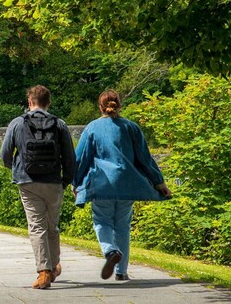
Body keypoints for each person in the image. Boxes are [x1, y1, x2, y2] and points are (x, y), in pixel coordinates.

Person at [73, 89, 171, 281]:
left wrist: (75, 182)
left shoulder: (92, 128)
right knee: (123, 227)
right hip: (127, 184)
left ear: (100, 107)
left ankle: (110, 251)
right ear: (119, 105)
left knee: (102, 221)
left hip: (102, 184)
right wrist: (159, 183)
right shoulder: (131, 127)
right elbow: (145, 158)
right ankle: (121, 271)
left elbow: (81, 158)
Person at [0, 85, 76, 290]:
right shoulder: (59, 124)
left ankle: (44, 271)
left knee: (37, 227)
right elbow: (70, 156)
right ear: (48, 102)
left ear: (29, 102)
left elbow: (5, 154)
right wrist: (66, 180)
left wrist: (16, 168)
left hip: (27, 182)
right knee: (52, 226)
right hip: (53, 181)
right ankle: (52, 267)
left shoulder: (17, 123)